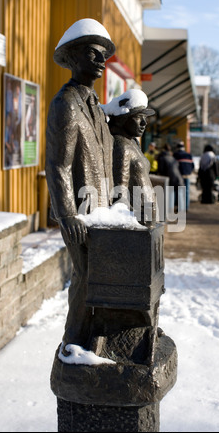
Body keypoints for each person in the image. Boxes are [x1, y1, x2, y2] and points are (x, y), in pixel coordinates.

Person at [45, 19, 116, 352]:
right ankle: (74, 342)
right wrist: (67, 214)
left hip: (103, 209)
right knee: (86, 276)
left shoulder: (97, 110)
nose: (101, 60)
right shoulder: (65, 104)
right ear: (72, 57)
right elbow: (57, 164)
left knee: (103, 278)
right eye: (92, 53)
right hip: (81, 213)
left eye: (103, 54)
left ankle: (96, 338)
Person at [101, 89, 156, 225]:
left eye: (145, 118)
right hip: (139, 216)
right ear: (123, 119)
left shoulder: (132, 142)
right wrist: (128, 216)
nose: (144, 123)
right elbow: (119, 190)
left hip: (145, 215)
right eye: (138, 117)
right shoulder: (121, 145)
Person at [157, 143, 183, 207]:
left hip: (171, 179)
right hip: (178, 178)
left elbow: (161, 170)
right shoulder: (173, 158)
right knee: (180, 195)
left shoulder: (162, 158)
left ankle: (170, 211)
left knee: (171, 195)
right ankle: (182, 210)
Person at [173, 142, 194, 211]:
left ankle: (180, 208)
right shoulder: (189, 155)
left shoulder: (176, 155)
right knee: (186, 191)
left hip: (179, 176)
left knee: (180, 191)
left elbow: (174, 166)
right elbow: (192, 166)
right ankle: (186, 207)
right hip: (187, 175)